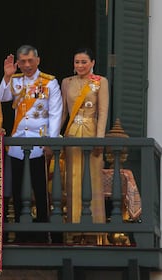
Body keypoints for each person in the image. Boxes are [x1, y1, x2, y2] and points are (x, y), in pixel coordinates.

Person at [0, 45, 63, 243]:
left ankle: (44, 234)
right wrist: (7, 76)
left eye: (30, 61)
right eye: (23, 61)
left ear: (38, 60)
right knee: (17, 189)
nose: (26, 65)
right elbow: (1, 97)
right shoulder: (16, 81)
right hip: (18, 142)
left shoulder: (49, 83)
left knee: (40, 190)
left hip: (39, 142)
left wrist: (51, 141)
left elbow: (55, 112)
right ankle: (20, 234)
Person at [61, 48, 109, 239]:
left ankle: (94, 231)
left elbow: (103, 111)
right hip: (72, 134)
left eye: (84, 62)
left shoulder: (100, 82)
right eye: (77, 62)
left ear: (92, 63)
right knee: (72, 180)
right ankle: (72, 229)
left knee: (92, 180)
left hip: (91, 132)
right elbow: (63, 112)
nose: (80, 66)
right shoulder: (66, 82)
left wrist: (100, 138)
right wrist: (54, 135)